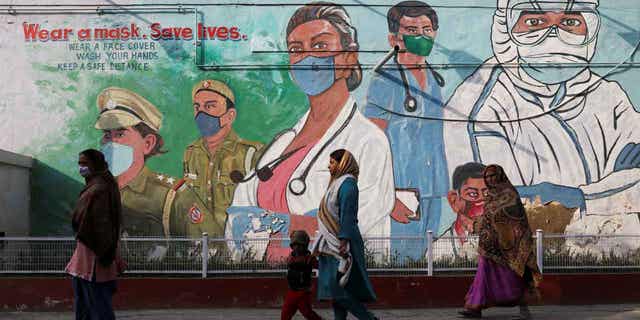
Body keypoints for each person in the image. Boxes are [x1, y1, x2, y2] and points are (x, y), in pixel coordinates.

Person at [443, 0, 640, 221]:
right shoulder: (481, 110)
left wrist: (579, 197)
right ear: (506, 28)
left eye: (570, 21)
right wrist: (611, 188)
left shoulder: (606, 96)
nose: (554, 35)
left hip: (611, 248)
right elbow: (509, 208)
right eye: (535, 22)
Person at [229, 2, 394, 262]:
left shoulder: (368, 141)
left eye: (320, 46)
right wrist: (294, 223)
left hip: (329, 278)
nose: (307, 58)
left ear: (349, 57)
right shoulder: (282, 143)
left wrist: (269, 225)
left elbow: (348, 228)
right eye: (297, 50)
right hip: (267, 274)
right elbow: (235, 222)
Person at [364, 0, 449, 260]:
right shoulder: (385, 80)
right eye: (412, 31)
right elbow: (372, 144)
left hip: (434, 186)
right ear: (394, 39)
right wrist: (386, 198)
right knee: (405, 259)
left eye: (427, 28)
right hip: (402, 188)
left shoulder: (435, 80)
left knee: (430, 257)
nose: (421, 36)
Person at [94, 87, 221, 260]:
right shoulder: (97, 193)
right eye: (107, 135)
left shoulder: (173, 196)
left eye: (120, 133)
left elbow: (213, 252)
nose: (111, 142)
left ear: (148, 143)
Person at [459, 165, 542, 319]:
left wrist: (488, 222)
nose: (490, 179)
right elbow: (488, 217)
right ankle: (474, 307)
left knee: (513, 277)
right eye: (487, 177)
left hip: (508, 248)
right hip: (489, 246)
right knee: (483, 275)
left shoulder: (510, 194)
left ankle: (522, 304)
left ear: (500, 176)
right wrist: (479, 223)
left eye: (493, 176)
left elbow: (516, 219)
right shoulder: (490, 195)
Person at [183, 79, 263, 230]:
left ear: (230, 115)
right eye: (197, 107)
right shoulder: (191, 152)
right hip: (201, 245)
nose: (201, 113)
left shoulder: (250, 153)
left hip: (238, 246)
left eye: (210, 106)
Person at [312, 149, 378, 320]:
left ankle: (368, 318)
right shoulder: (336, 184)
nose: (329, 166)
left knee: (338, 289)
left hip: (341, 244)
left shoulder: (348, 185)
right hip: (330, 242)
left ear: (342, 164)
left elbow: (348, 214)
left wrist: (343, 239)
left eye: (332, 162)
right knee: (337, 291)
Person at [66, 149, 123, 320]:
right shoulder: (101, 185)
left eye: (85, 164)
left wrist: (106, 254)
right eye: (80, 164)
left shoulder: (98, 189)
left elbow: (98, 225)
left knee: (97, 308)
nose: (81, 168)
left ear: (95, 165)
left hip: (93, 261)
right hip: (88, 259)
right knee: (88, 307)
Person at [434, 162, 487, 261]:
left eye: (487, 194)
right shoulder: (439, 250)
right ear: (454, 200)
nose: (482, 201)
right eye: (472, 194)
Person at [281, 230, 322, 320]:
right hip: (292, 291)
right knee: (285, 314)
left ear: (304, 246)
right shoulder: (291, 257)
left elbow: (320, 267)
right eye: (294, 245)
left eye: (299, 245)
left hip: (303, 292)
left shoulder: (309, 258)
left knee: (308, 313)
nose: (296, 248)